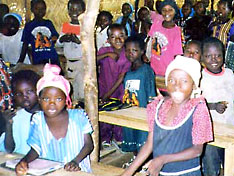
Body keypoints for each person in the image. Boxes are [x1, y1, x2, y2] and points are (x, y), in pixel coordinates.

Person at [121, 55, 213, 176]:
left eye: (184, 81)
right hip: (161, 172)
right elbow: (150, 143)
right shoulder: (158, 107)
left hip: (187, 173)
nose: (176, 86)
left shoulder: (198, 108)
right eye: (171, 80)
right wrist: (128, 172)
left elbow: (197, 150)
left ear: (194, 85)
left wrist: (162, 159)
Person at [15, 64, 94, 175]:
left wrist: (76, 161)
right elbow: (36, 149)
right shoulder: (38, 120)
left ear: (66, 100)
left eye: (58, 99)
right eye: (46, 98)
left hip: (77, 171)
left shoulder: (78, 116)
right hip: (50, 172)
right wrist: (24, 161)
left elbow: (88, 145)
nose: (52, 103)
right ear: (39, 99)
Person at [200, 37, 234, 175]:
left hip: (230, 126)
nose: (214, 60)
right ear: (202, 57)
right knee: (211, 165)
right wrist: (213, 106)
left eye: (218, 55)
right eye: (208, 56)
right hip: (209, 131)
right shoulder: (200, 77)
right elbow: (195, 104)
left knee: (230, 162)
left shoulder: (230, 74)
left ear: (223, 56)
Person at [122, 35, 156, 154]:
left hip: (143, 114)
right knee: (133, 137)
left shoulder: (146, 71)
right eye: (127, 50)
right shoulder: (127, 71)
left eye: (134, 50)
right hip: (130, 111)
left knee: (143, 140)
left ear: (142, 51)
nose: (130, 53)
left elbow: (151, 94)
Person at [97, 23, 131, 144]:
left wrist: (108, 95)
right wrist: (106, 55)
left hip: (119, 90)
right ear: (108, 39)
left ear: (126, 37)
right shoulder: (104, 50)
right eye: (113, 37)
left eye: (121, 36)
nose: (118, 39)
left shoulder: (128, 54)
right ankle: (105, 139)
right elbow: (92, 61)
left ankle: (119, 139)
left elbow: (122, 77)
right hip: (103, 87)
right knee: (104, 114)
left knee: (119, 113)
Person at [0, 70, 40, 155]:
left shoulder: (49, 115)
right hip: (21, 161)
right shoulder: (16, 117)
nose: (24, 97)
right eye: (18, 94)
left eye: (29, 91)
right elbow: (9, 149)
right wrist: (8, 124)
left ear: (39, 90)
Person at [56, 0, 85, 101]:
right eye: (71, 9)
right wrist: (62, 39)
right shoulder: (65, 26)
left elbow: (90, 47)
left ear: (84, 11)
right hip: (69, 63)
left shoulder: (85, 27)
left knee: (82, 92)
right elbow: (58, 46)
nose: (74, 12)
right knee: (71, 91)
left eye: (78, 10)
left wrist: (78, 42)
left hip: (81, 64)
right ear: (68, 11)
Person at [146, 0, 183, 77]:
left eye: (170, 10)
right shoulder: (156, 23)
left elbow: (177, 55)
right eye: (164, 10)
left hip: (166, 70)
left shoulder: (176, 31)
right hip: (153, 67)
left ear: (175, 11)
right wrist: (145, 54)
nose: (167, 13)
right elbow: (149, 38)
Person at [18, 0, 59, 65]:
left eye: (42, 9)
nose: (40, 11)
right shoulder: (29, 26)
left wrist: (53, 39)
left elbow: (55, 37)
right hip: (38, 59)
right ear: (32, 9)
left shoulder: (48, 23)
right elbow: (25, 45)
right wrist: (20, 61)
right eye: (37, 8)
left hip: (52, 58)